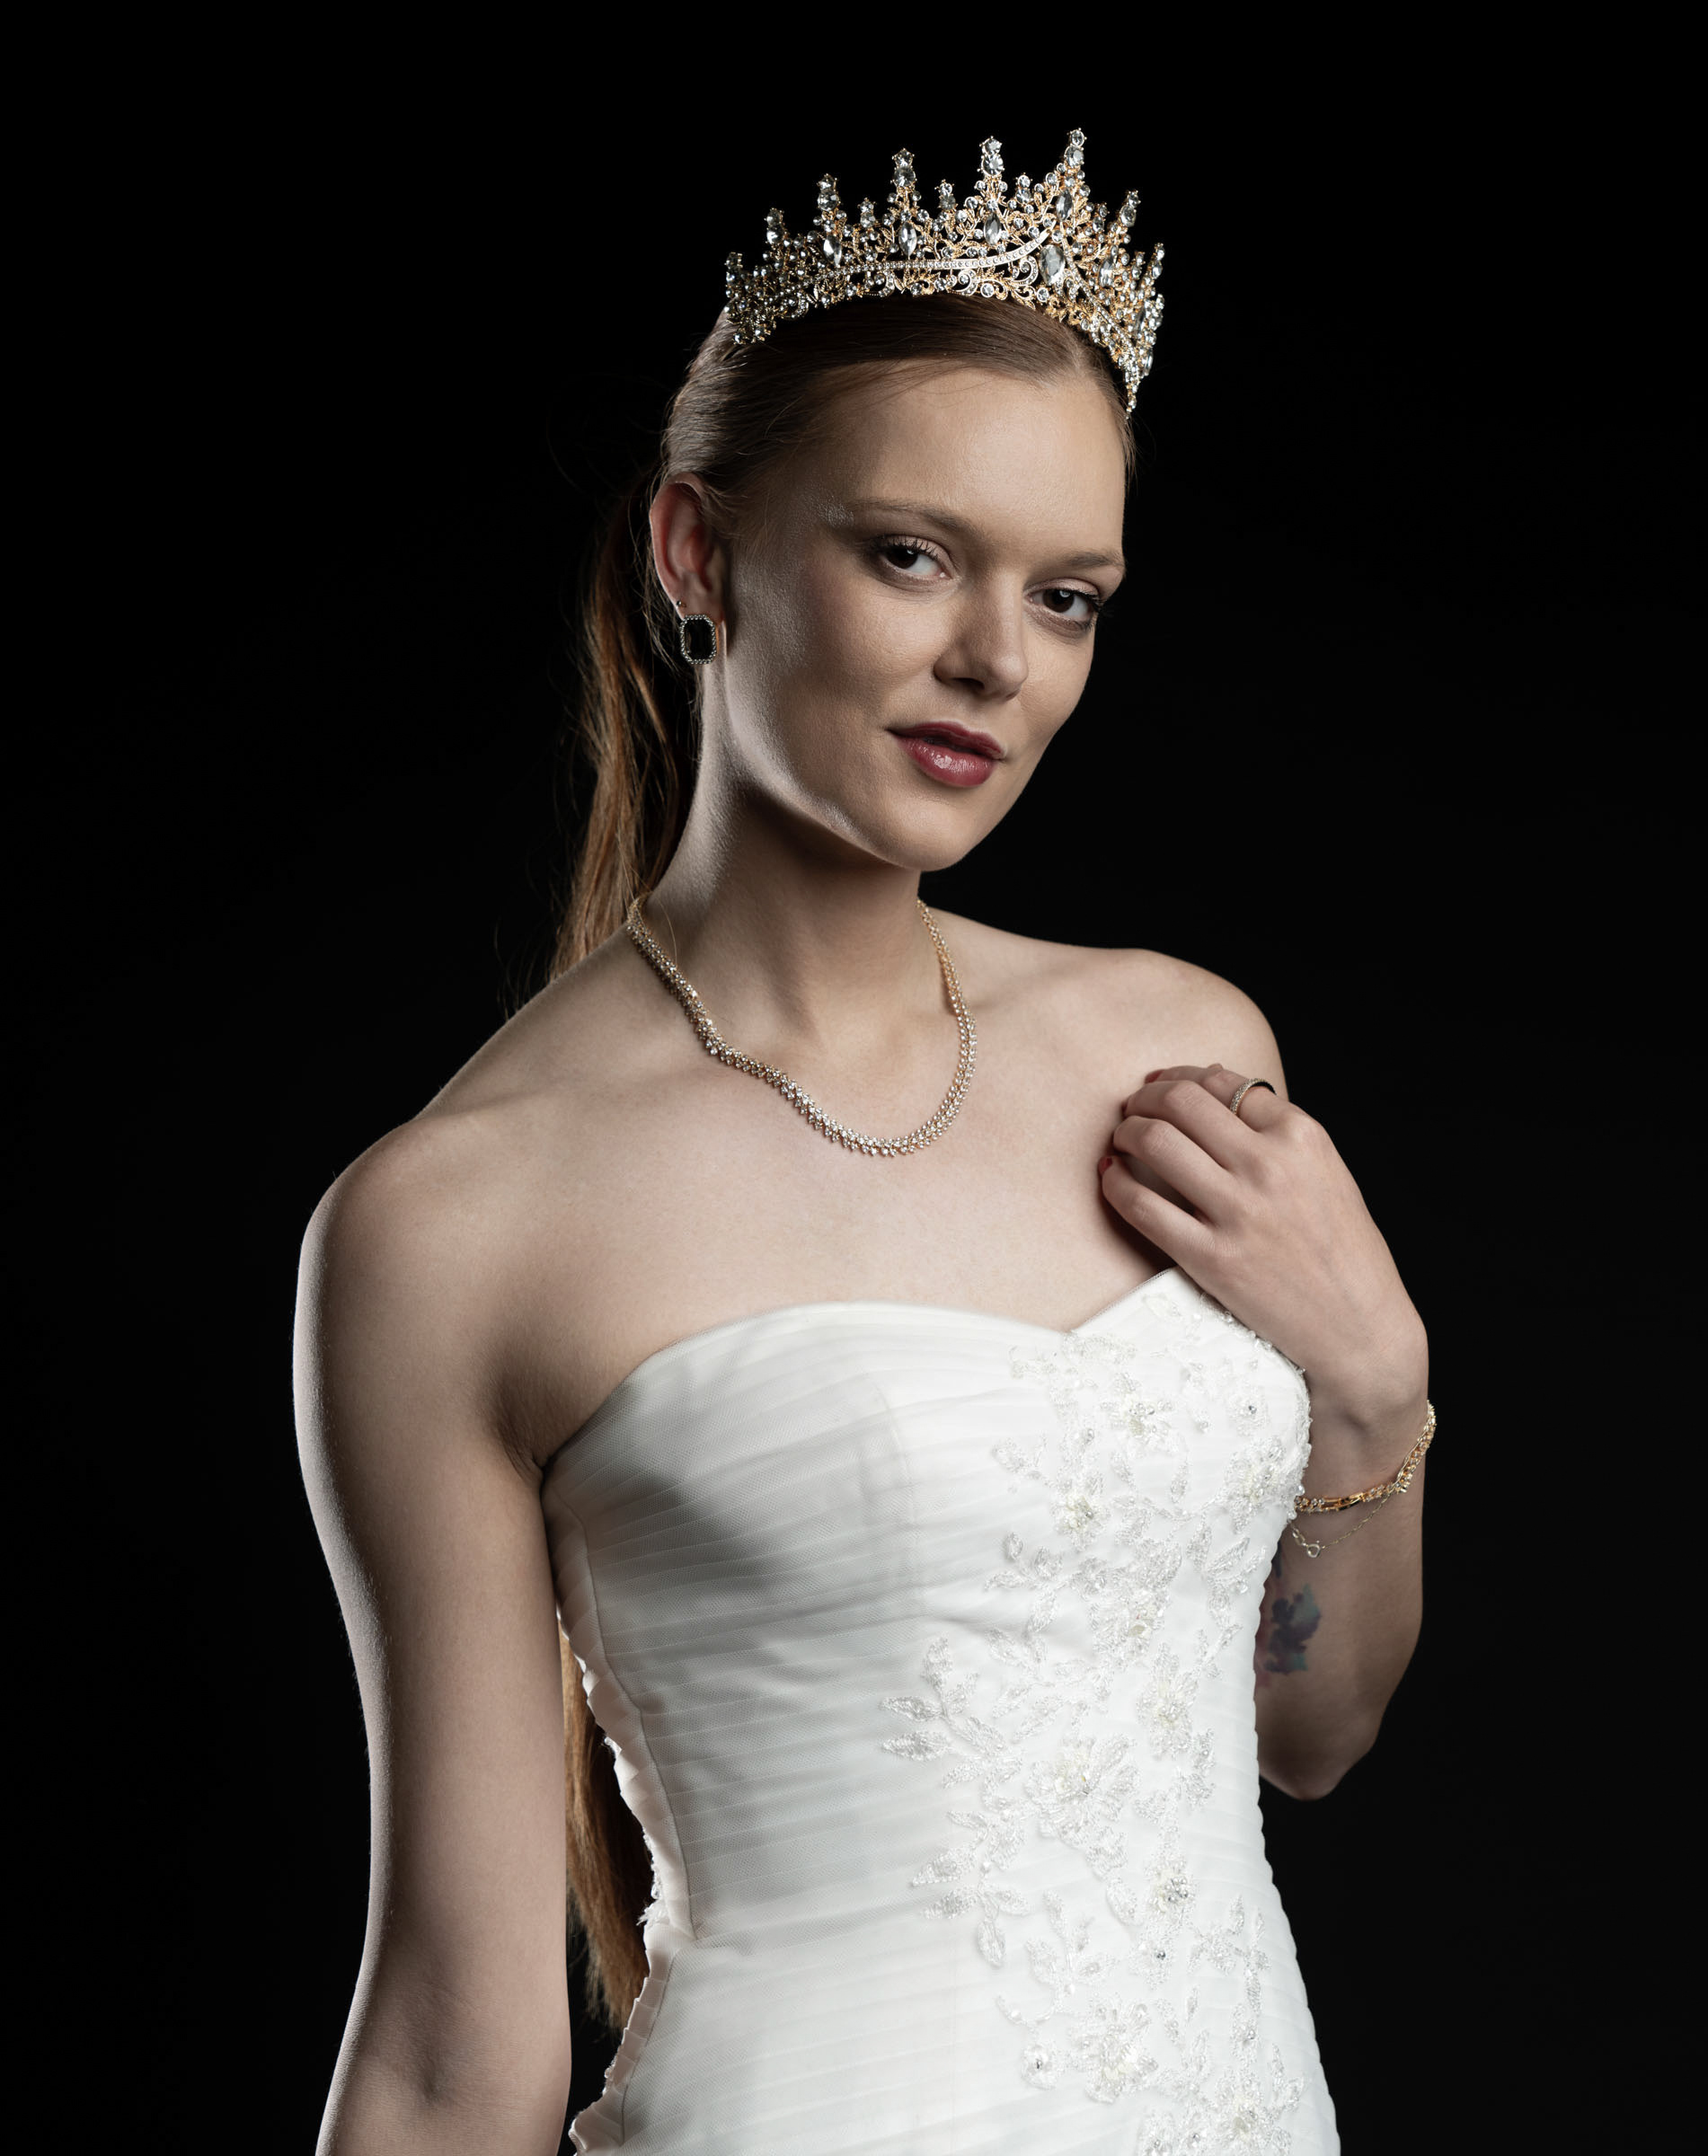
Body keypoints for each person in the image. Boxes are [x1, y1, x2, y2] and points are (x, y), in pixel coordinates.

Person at [296, 128, 1431, 2155]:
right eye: (911, 554)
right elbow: (454, 2057)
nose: (997, 659)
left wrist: (1374, 1389)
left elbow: (1308, 1735)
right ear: (695, 554)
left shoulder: (1181, 1053)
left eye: (1066, 596)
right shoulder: (456, 1221)